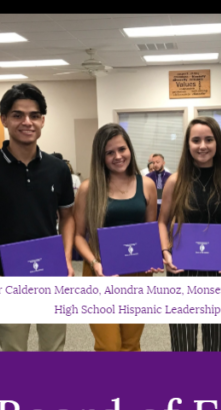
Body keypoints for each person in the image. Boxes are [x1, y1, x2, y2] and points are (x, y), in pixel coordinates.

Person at [0, 83, 75, 352]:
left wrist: (66, 260)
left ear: (42, 120)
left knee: (54, 348)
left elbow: (68, 218)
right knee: (14, 349)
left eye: (34, 115)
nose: (27, 122)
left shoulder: (58, 168)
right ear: (4, 119)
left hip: (50, 273)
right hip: (6, 275)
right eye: (17, 115)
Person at [159, 117, 221, 351]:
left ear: (217, 143)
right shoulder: (175, 181)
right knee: (183, 341)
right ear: (187, 145)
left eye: (209, 139)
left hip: (219, 269)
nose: (202, 146)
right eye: (195, 140)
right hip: (182, 269)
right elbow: (162, 221)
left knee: (215, 341)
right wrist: (165, 251)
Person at [73, 123, 161, 351]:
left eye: (121, 149)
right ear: (100, 157)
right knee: (109, 346)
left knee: (131, 344)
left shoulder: (147, 185)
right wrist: (94, 263)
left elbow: (149, 231)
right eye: (109, 152)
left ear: (130, 149)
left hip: (138, 273)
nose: (118, 156)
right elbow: (78, 236)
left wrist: (153, 257)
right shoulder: (88, 188)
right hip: (99, 271)